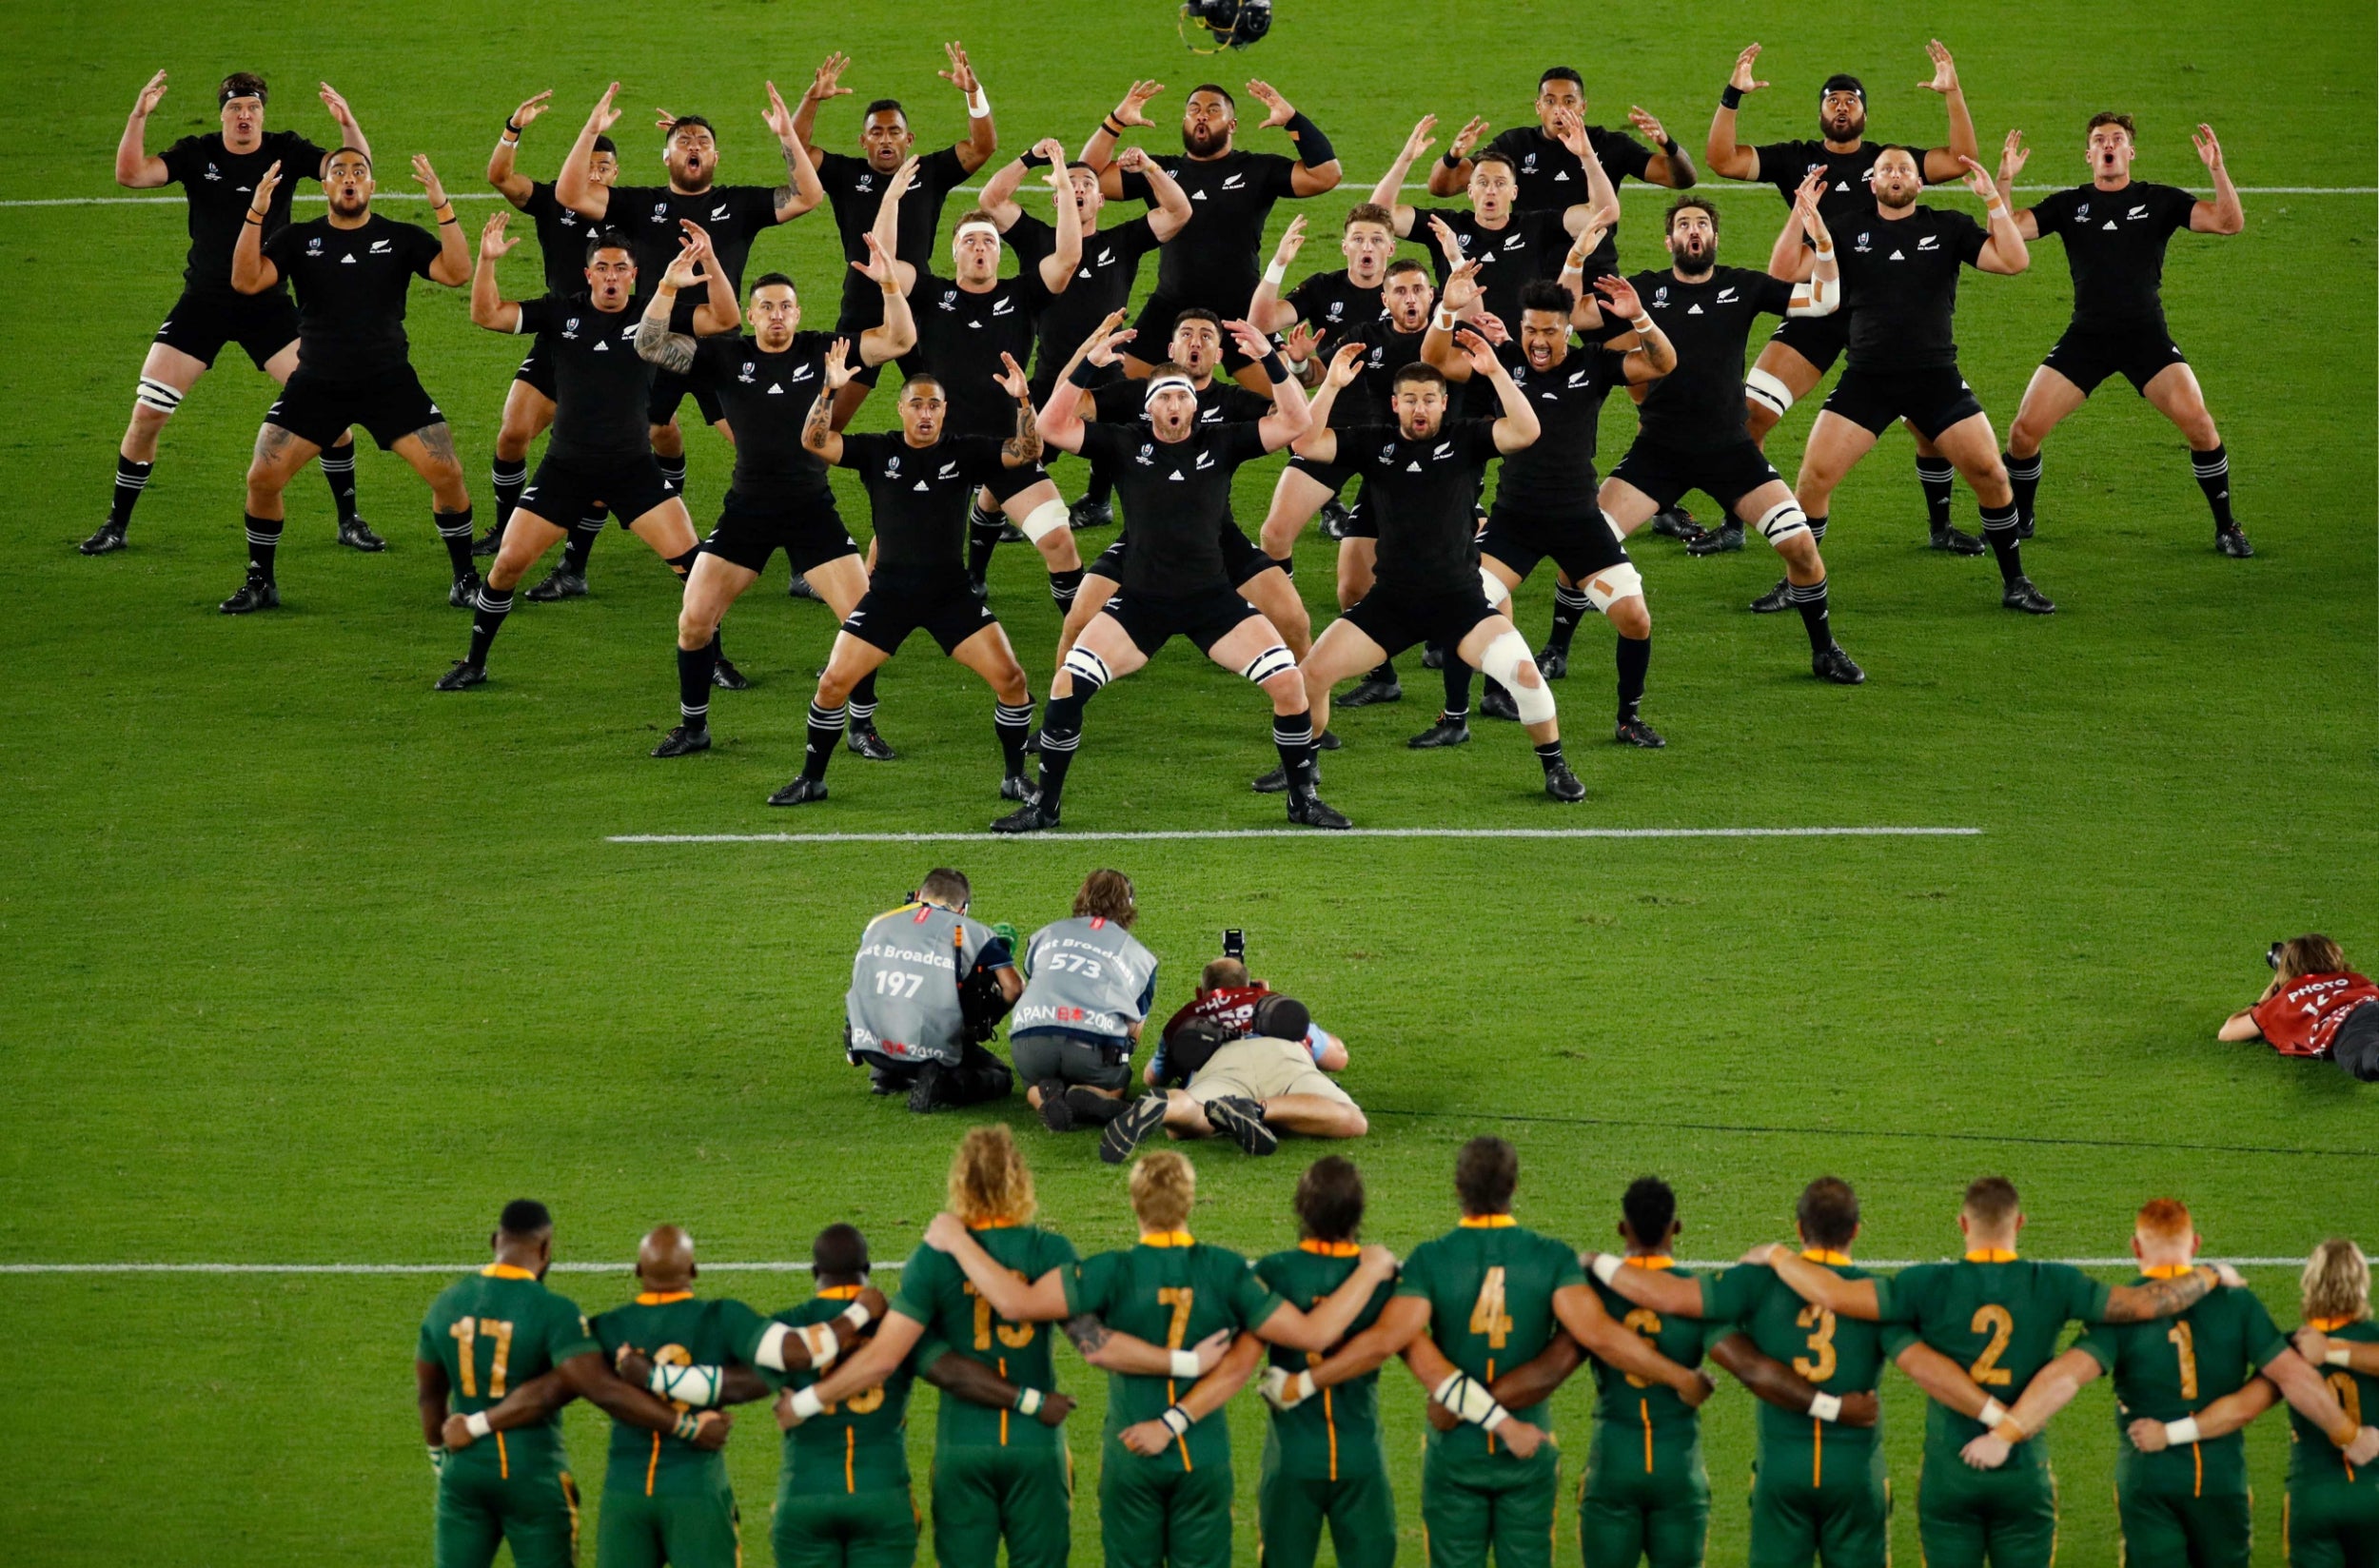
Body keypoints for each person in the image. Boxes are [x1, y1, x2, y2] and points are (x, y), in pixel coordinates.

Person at [925, 1148, 1402, 1568]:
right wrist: (1371, 1271)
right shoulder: (1227, 1271)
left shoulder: (1111, 1271)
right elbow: (1313, 1332)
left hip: (1131, 1453)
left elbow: (1017, 1304)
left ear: (1134, 1203)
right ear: (1190, 1203)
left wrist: (959, 1242)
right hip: (1203, 1455)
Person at [792, 1128, 1226, 1568]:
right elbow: (1097, 1346)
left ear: (959, 1184)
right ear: (1020, 1180)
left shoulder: (934, 1258)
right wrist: (1182, 1361)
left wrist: (812, 1397)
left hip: (962, 1446)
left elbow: (883, 1357)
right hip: (1035, 1446)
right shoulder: (1047, 1249)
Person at [1758, 1175, 2235, 1568]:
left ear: (1963, 1223)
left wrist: (1777, 1255)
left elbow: (1835, 1295)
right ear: (2020, 1223)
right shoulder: (2054, 1283)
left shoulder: (1929, 1284)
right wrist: (2209, 1275)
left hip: (1950, 1474)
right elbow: (2141, 1304)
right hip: (2024, 1471)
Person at [1286, 1138, 1715, 1568]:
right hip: (1527, 1455)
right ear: (1514, 1187)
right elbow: (1600, 1336)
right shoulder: (1550, 1259)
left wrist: (1305, 1381)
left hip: (1455, 1454)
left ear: (1457, 1188)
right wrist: (1680, 1377)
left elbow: (1386, 1339)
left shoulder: (1432, 1260)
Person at [993, 318, 1344, 834]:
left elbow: (1295, 422)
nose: (1174, 406)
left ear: (1194, 405)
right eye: (1163, 398)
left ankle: (1302, 799)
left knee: (1290, 684)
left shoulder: (1223, 442)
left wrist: (1269, 356)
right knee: (1067, 682)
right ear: (1149, 405)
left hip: (1212, 602)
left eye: (1181, 397)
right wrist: (1090, 360)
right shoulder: (1122, 442)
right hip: (1141, 603)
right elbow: (1048, 428)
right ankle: (1046, 806)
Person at [1589, 1176, 2004, 1568]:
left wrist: (1595, 1263)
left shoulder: (1756, 1285)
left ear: (1799, 1227)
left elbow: (1676, 1298)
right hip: (1855, 1476)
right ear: (1856, 1231)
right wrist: (2001, 1420)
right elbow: (1925, 1368)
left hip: (1782, 1474)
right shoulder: (1872, 1296)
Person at [1951, 1200, 2376, 1568]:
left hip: (2148, 1478)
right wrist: (2348, 1435)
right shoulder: (2238, 1305)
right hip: (2220, 1481)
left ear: (2135, 1248)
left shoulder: (2122, 1311)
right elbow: (2294, 1378)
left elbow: (2065, 1376)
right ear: (2195, 1244)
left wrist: (2006, 1434)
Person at [646, 213, 915, 759]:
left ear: (799, 313)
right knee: (695, 620)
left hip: (810, 508)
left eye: (785, 306)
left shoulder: (826, 351)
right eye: (765, 306)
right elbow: (650, 344)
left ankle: (861, 727)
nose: (775, 315)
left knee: (862, 618)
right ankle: (694, 726)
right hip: (746, 508)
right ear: (750, 314)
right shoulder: (727, 354)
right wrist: (669, 284)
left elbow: (900, 339)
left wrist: (889, 284)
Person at [1701, 43, 1984, 553]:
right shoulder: (1796, 160)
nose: (1841, 106)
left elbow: (1961, 159)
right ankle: (1735, 522)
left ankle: (1940, 528)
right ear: (1821, 112)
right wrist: (1733, 96)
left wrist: (1953, 93)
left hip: (1884, 318)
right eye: (1833, 99)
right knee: (1749, 415)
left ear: (1864, 113)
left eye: (1850, 100)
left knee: (1928, 429)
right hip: (1817, 308)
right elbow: (1721, 159)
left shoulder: (1890, 164)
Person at [436, 218, 738, 692]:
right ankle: (475, 661)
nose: (612, 276)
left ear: (635, 275)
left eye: (621, 268)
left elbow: (725, 319)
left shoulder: (653, 315)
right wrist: (487, 263)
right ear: (588, 274)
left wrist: (711, 262)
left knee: (692, 567)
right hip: (566, 469)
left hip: (633, 468)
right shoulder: (560, 314)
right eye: (603, 268)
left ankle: (716, 660)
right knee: (507, 567)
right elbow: (487, 315)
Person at [1288, 336, 1590, 804]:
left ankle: (1555, 767)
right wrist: (1329, 385)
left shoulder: (1466, 438)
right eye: (1409, 400)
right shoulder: (1375, 443)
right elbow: (1306, 442)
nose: (1419, 408)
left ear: (1444, 404)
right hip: (1392, 604)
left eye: (1429, 399)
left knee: (1528, 678)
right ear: (1395, 404)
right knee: (1310, 677)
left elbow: (1526, 431)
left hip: (1460, 602)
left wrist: (1495, 372)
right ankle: (1301, 775)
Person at [92, 70, 379, 557]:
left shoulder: (286, 150)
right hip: (203, 304)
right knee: (146, 416)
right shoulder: (196, 152)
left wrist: (348, 123)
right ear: (223, 114)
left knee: (332, 413)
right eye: (235, 108)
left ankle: (349, 520)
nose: (244, 116)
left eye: (252, 108)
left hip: (267, 304)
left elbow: (354, 168)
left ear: (262, 114)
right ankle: (115, 525)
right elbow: (132, 174)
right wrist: (138, 116)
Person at [1598, 186, 1860, 683]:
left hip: (1730, 451)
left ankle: (1825, 650)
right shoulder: (1644, 289)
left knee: (1803, 548)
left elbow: (1825, 300)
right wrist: (1576, 259)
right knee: (1583, 543)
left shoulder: (1745, 286)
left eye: (1701, 225)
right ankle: (1556, 649)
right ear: (1668, 240)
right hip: (1658, 451)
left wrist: (1822, 243)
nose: (1693, 231)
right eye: (1683, 225)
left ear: (1715, 237)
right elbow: (1577, 320)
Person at [1781, 146, 2056, 617]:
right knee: (1813, 480)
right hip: (1866, 377)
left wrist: (1993, 200)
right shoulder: (1846, 228)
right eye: (1885, 168)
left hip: (1935, 378)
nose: (1895, 174)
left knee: (1992, 476)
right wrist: (1799, 216)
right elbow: (1784, 273)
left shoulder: (1947, 226)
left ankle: (2015, 582)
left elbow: (2012, 261)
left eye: (1904, 168)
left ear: (1919, 183)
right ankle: (1797, 584)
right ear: (1873, 182)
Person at [773, 350, 1041, 806]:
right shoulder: (877, 451)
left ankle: (1014, 778)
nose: (925, 413)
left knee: (1012, 680)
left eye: (934, 405)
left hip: (950, 595)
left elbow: (1027, 450)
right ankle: (812, 780)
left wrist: (1023, 401)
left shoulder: (966, 451)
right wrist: (829, 389)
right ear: (901, 409)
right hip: (889, 595)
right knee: (832, 684)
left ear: (944, 411)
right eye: (916, 404)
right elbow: (816, 441)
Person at [1420, 268, 1674, 748]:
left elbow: (1660, 363)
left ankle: (1628, 718)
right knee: (1465, 605)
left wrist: (1640, 317)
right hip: (1515, 520)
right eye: (1530, 330)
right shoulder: (1500, 363)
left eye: (1549, 331)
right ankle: (1454, 718)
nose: (1538, 342)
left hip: (1580, 522)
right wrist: (1448, 312)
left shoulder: (1594, 364)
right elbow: (1434, 359)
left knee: (1635, 619)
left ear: (1568, 330)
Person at [551, 81, 827, 505]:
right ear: (666, 156)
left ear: (716, 156)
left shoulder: (738, 203)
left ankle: (800, 537)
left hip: (721, 347)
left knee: (762, 445)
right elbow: (569, 194)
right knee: (626, 442)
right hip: (655, 344)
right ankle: (585, 555)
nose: (692, 146)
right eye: (682, 141)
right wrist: (591, 131)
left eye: (702, 141)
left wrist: (788, 136)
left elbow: (809, 196)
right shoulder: (641, 204)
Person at [225, 147, 474, 615]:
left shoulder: (399, 238)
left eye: (359, 171)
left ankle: (465, 577)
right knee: (262, 477)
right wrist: (256, 212)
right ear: (326, 186)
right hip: (316, 383)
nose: (349, 178)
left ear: (372, 186)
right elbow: (245, 280)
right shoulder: (297, 238)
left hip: (389, 382)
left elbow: (458, 273)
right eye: (338, 171)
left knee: (448, 472)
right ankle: (261, 582)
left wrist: (443, 205)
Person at [417, 1201, 729, 1568]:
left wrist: (441, 1460)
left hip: (463, 1474)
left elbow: (429, 1393)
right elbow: (603, 1390)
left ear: (494, 1242)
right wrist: (686, 1426)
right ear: (546, 1248)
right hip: (531, 1475)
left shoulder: (445, 1305)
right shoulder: (553, 1311)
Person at [1996, 117, 2251, 555]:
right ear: (2089, 155)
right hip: (2087, 338)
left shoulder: (2160, 200)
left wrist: (2217, 169)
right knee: (2022, 433)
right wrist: (2002, 181)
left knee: (2201, 426)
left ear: (2130, 153)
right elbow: (2005, 231)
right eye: (2099, 141)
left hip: (2145, 338)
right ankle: (2024, 516)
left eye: (2117, 140)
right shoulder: (2069, 204)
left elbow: (2229, 223)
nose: (2108, 145)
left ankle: (2227, 527)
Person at [1053, 309, 1318, 699]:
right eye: (1187, 335)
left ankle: (1307, 714)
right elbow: (1063, 413)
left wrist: (1276, 361)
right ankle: (1059, 711)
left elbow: (1296, 420)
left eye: (1207, 336)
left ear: (1220, 355)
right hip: (1145, 538)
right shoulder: (1137, 393)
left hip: (1218, 536)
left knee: (1294, 619)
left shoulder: (1233, 400)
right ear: (1170, 348)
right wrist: (1086, 356)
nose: (1196, 343)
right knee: (1077, 619)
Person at [1258, 256, 1445, 717]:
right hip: (1366, 449)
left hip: (1435, 468)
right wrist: (1301, 367)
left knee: (1460, 573)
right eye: (1399, 291)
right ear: (1385, 300)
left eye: (1418, 290)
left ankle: (1471, 686)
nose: (1410, 299)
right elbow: (1319, 377)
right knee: (1352, 585)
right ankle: (1380, 677)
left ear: (1432, 296)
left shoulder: (1448, 339)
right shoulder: (1365, 336)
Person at [788, 45, 999, 432]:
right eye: (876, 132)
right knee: (829, 420)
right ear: (863, 141)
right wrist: (811, 99)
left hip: (915, 304)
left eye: (894, 132)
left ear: (909, 139)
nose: (886, 139)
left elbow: (983, 147)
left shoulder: (929, 172)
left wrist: (973, 94)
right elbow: (795, 149)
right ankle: (804, 482)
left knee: (942, 407)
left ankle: (962, 482)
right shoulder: (844, 174)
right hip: (862, 307)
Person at [1082, 77, 1343, 389]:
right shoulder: (1159, 171)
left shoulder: (1257, 170)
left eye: (1212, 110)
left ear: (1232, 124)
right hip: (1170, 307)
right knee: (1114, 392)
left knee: (1286, 400)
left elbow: (1326, 175)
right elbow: (1085, 178)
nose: (1201, 115)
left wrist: (1291, 120)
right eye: (1194, 109)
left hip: (1241, 309)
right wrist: (1117, 121)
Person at [983, 143, 1193, 529]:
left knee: (1127, 442)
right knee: (1017, 460)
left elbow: (1179, 211)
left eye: (1087, 184)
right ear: (1057, 197)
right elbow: (991, 199)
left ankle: (1100, 502)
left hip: (1109, 375)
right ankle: (995, 520)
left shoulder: (1122, 242)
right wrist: (1029, 157)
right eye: (1071, 183)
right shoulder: (1037, 240)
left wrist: (1149, 167)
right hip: (1052, 375)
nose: (1078, 188)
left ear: (1101, 200)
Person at [891, 190, 1086, 603]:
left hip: (1007, 448)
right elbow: (884, 264)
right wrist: (892, 194)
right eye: (970, 241)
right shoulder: (931, 294)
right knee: (887, 552)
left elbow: (1068, 257)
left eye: (989, 242)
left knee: (1060, 544)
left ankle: (1081, 648)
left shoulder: (1024, 294)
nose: (980, 248)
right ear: (955, 252)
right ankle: (854, 651)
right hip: (937, 447)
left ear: (999, 254)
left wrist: (1066, 190)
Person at [475, 89, 620, 592]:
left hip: (615, 344)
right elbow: (499, 177)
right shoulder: (554, 200)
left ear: (615, 175)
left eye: (605, 167)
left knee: (608, 452)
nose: (596, 173)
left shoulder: (626, 212)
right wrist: (512, 128)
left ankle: (574, 566)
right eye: (590, 164)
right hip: (560, 333)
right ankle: (506, 526)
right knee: (513, 433)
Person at [1248, 1157, 1401, 1568]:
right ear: (1359, 1213)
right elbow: (1396, 1345)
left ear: (1301, 1209)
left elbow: (1237, 1357)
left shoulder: (1273, 1272)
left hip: (1292, 1458)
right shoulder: (1386, 1278)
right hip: (1360, 1455)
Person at [1427, 65, 1697, 277]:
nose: (1559, 110)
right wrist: (1453, 156)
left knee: (1630, 345)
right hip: (1528, 267)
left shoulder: (1610, 145)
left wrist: (1667, 145)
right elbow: (1442, 187)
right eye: (1550, 101)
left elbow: (1682, 178)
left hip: (1594, 267)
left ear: (1583, 107)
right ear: (1538, 107)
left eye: (1568, 101)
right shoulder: (1514, 145)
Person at [1370, 112, 1620, 329]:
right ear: (1470, 191)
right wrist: (1405, 159)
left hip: (1520, 353)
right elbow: (1376, 217)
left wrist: (1587, 155)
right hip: (1459, 352)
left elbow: (1605, 213)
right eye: (1482, 183)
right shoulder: (1446, 226)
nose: (1491, 191)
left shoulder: (1537, 226)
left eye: (1500, 184)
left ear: (1514, 192)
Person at [1248, 205, 1397, 546]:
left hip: (1395, 425)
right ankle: (1331, 508)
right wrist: (1278, 264)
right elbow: (1259, 324)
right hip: (1333, 422)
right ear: (1344, 246)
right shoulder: (1323, 288)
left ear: (1391, 248)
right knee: (1274, 532)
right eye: (1358, 239)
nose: (1367, 248)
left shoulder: (1408, 292)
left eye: (1376, 240)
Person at [843, 868, 1021, 1112]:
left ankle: (887, 1075)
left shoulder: (878, 924)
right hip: (930, 1048)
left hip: (869, 1043)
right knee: (999, 1077)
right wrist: (989, 1015)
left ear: (917, 895)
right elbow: (1013, 988)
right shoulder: (973, 932)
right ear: (963, 908)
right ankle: (940, 1084)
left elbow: (860, 979)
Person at [1013, 869, 1161, 1134]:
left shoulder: (1045, 934)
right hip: (1090, 1048)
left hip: (1030, 1042)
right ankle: (1094, 1094)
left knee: (1032, 1083)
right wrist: (1121, 1057)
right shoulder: (1140, 956)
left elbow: (1037, 981)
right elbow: (1134, 1029)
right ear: (1128, 905)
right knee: (1118, 1079)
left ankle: (1047, 1097)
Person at [2219, 933, 2379, 1081]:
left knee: (2364, 1057)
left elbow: (2228, 1032)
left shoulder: (2285, 998)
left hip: (2352, 1024)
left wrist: (2263, 1001)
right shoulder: (2352, 979)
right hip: (2369, 1006)